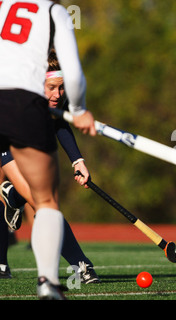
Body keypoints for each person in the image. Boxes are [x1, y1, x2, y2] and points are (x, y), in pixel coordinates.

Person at [0, 0, 96, 299]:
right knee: (44, 201)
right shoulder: (53, 11)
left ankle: (12, 195)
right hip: (21, 106)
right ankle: (52, 279)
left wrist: (77, 158)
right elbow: (75, 72)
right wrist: (80, 109)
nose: (58, 94)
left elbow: (59, 123)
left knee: (30, 193)